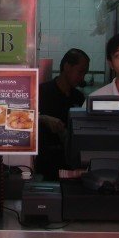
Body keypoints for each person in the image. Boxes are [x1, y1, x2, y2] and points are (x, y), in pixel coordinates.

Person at [35, 48, 90, 180]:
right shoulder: (41, 92)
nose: (82, 78)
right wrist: (42, 118)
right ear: (67, 67)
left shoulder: (79, 98)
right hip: (44, 165)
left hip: (70, 165)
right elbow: (22, 118)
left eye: (84, 73)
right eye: (80, 72)